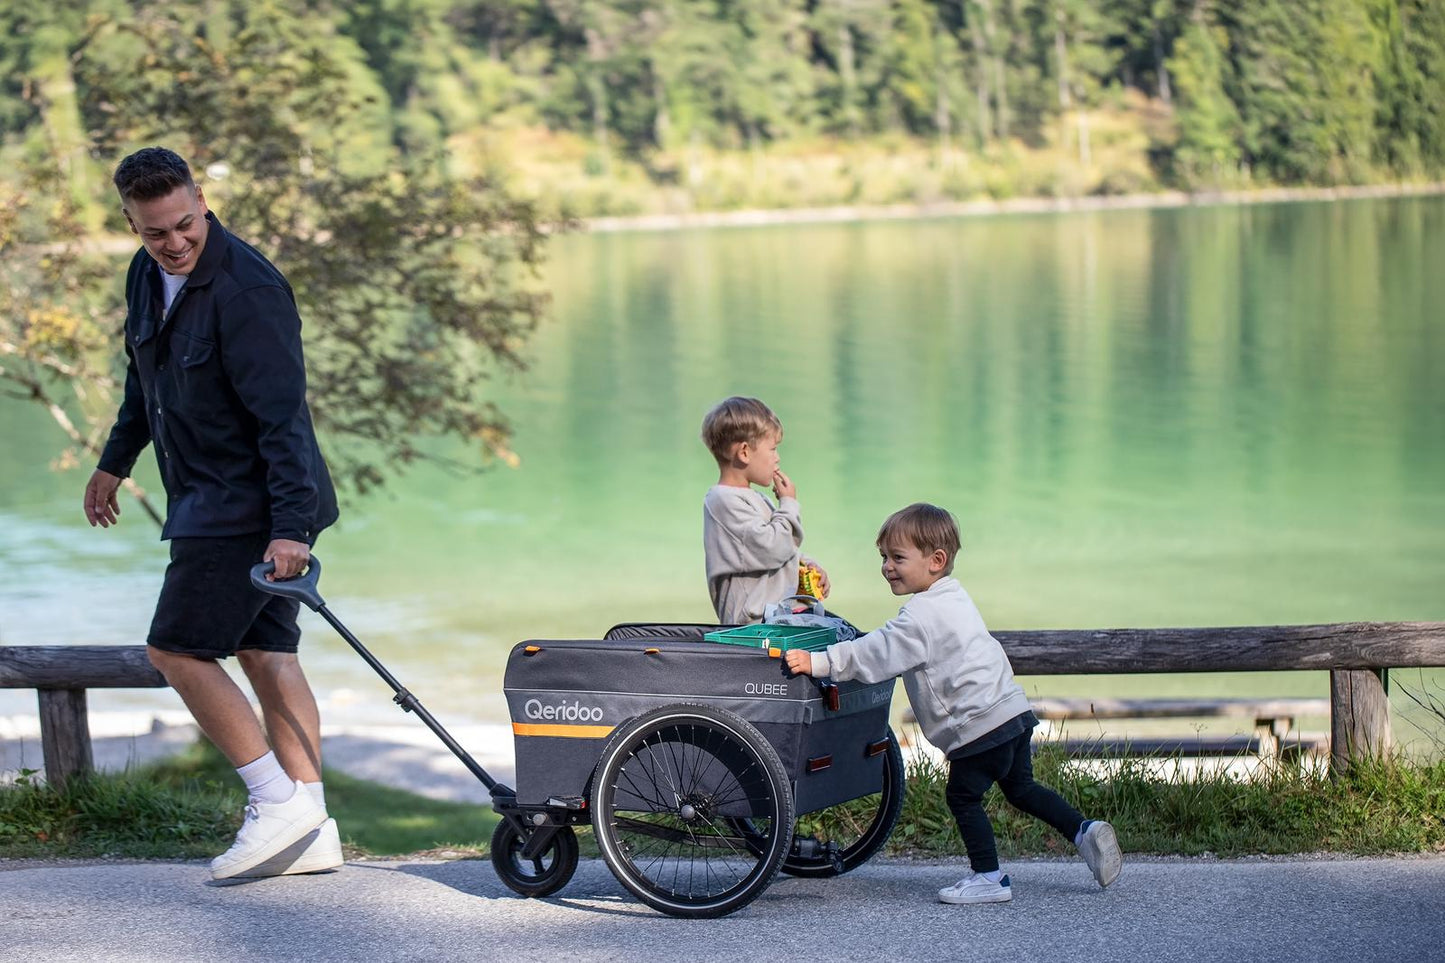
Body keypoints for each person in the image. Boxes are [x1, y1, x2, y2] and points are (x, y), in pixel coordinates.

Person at [83, 147, 341, 880]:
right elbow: (146, 381)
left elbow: (284, 417)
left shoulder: (247, 288)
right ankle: (313, 825)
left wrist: (290, 526)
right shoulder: (146, 274)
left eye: (185, 224)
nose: (174, 242)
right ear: (132, 223)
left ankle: (274, 800)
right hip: (208, 497)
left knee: (176, 649)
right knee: (266, 653)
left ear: (202, 199)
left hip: (249, 504)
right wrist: (114, 458)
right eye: (154, 231)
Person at [785, 503, 1123, 904]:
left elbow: (875, 654)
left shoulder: (919, 617)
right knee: (1022, 788)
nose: (886, 567)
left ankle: (988, 877)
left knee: (963, 797)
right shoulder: (954, 596)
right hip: (1011, 713)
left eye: (897, 558)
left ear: (936, 561)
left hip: (977, 725)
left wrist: (819, 661)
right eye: (883, 557)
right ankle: (1083, 831)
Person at [700, 396, 831, 624]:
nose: (777, 458)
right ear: (744, 452)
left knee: (848, 636)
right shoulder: (723, 501)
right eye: (773, 449)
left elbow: (772, 551)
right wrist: (789, 504)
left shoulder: (754, 498)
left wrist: (805, 564)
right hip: (756, 625)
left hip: (779, 616)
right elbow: (770, 547)